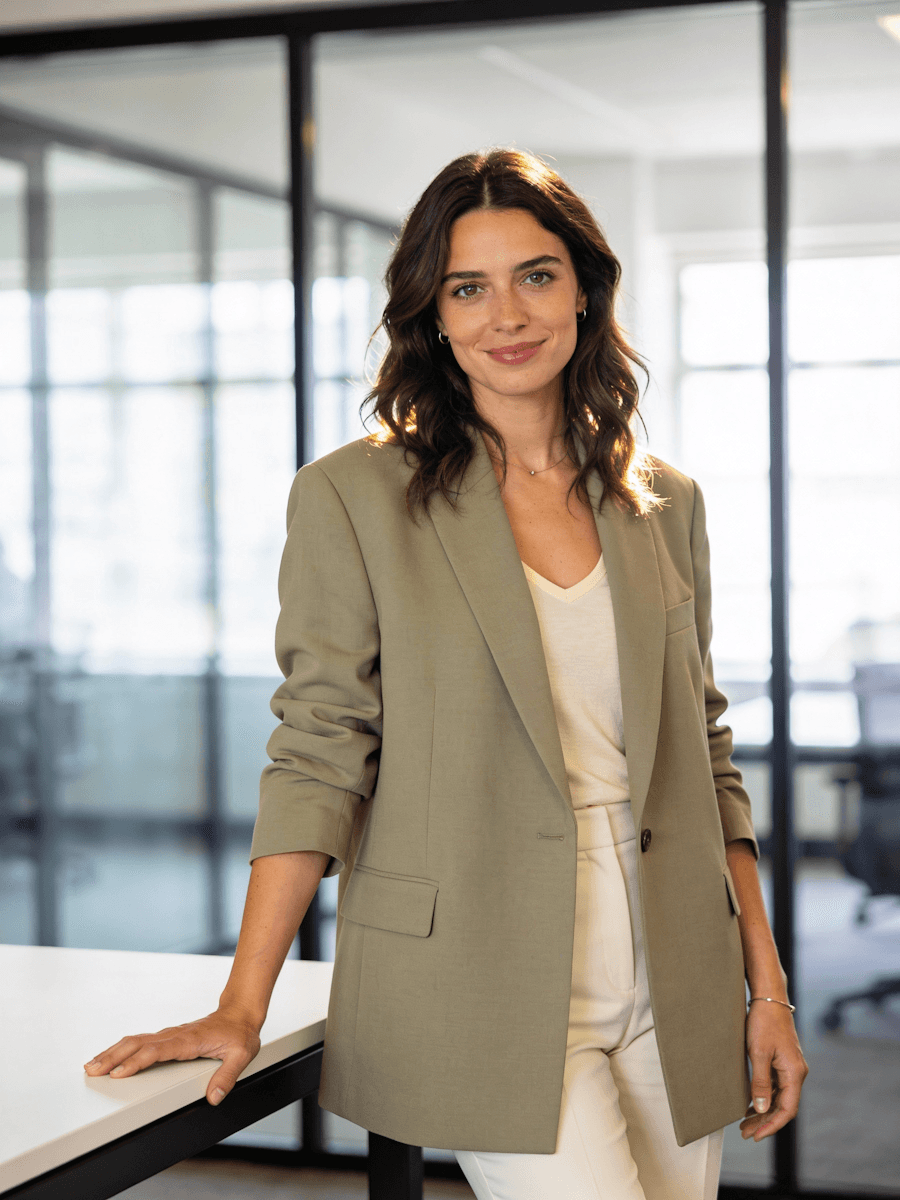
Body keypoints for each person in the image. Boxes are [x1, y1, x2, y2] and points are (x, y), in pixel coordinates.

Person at [84, 149, 808, 1200]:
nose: (506, 314)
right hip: (482, 956)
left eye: (537, 275)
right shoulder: (355, 497)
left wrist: (767, 988)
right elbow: (319, 749)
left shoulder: (664, 501)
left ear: (585, 291)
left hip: (675, 957)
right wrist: (245, 1002)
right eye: (468, 287)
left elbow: (704, 748)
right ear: (431, 314)